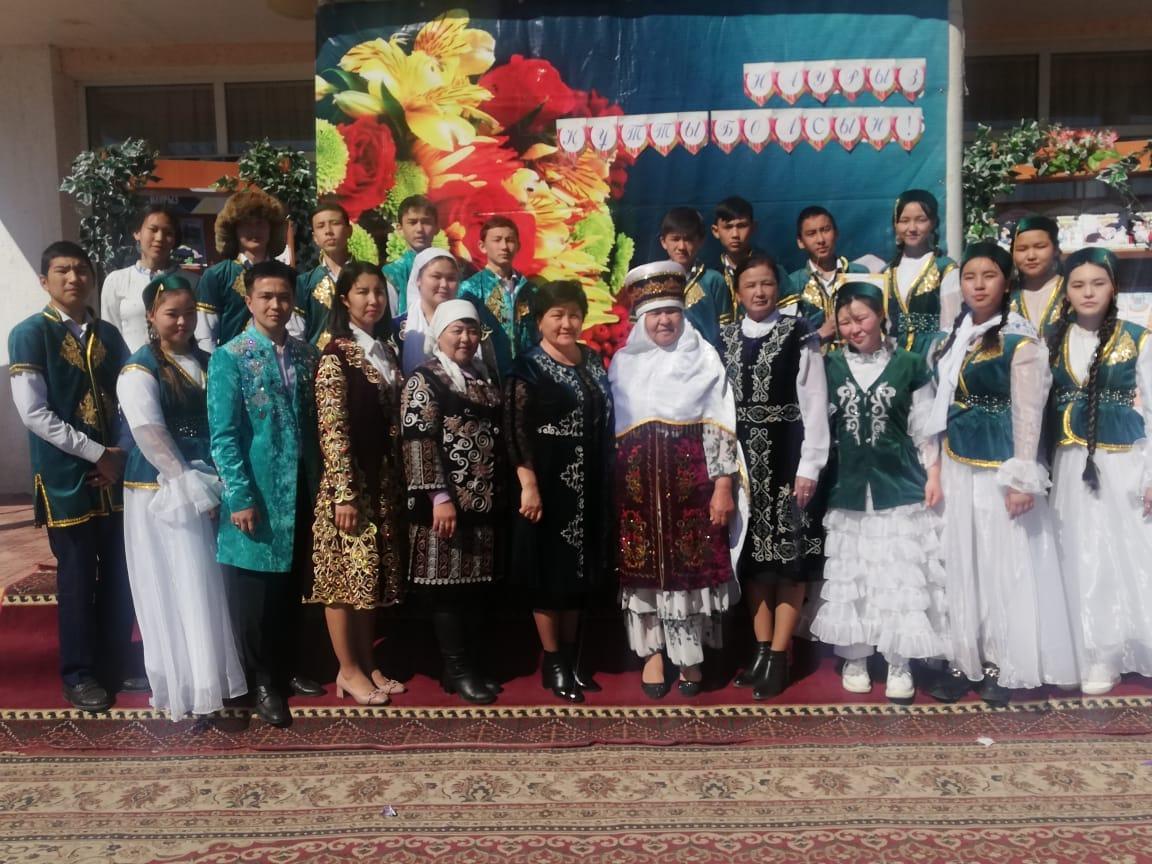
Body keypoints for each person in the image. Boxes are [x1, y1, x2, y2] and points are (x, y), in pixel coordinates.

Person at [926, 241, 1077, 706]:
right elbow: (937, 405)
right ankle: (963, 658)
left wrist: (1021, 478)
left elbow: (1029, 415)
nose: (978, 285)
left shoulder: (1019, 340)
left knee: (998, 564)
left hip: (999, 470)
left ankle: (999, 660)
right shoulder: (951, 338)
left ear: (1005, 282)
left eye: (988, 276)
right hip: (957, 464)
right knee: (961, 563)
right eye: (970, 277)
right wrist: (934, 466)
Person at [8, 241, 138, 712]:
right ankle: (79, 673)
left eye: (82, 270)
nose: (73, 278)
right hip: (66, 476)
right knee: (78, 577)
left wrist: (120, 451)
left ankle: (117, 659)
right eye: (62, 270)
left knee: (120, 573)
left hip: (114, 474)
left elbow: (130, 396)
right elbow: (33, 412)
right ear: (44, 280)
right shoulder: (29, 334)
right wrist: (96, 454)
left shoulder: (109, 335)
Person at [807, 281, 947, 703]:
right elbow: (816, 422)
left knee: (897, 576)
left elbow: (924, 427)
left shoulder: (910, 364)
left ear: (881, 315)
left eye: (862, 318)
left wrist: (933, 474)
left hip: (898, 486)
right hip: (849, 488)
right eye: (845, 321)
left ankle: (899, 660)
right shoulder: (829, 365)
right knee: (856, 577)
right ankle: (856, 657)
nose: (854, 328)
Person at [610, 262, 742, 699]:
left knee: (690, 571)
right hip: (637, 495)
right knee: (642, 571)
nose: (664, 321)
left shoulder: (703, 359)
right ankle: (651, 655)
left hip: (692, 490)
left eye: (671, 312)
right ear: (641, 318)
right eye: (655, 314)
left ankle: (688, 657)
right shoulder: (622, 365)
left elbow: (720, 426)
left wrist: (723, 486)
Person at [116, 274, 246, 718]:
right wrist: (193, 488)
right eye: (172, 313)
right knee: (181, 579)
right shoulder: (140, 369)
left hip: (212, 480)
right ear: (151, 316)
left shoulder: (210, 361)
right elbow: (151, 436)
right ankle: (191, 683)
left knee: (211, 580)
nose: (183, 322)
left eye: (190, 312)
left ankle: (219, 675)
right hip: (166, 488)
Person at [207, 259, 321, 726]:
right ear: (249, 300)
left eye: (283, 296)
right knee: (255, 596)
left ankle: (287, 666)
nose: (276, 304)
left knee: (291, 586)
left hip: (300, 489)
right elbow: (223, 434)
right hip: (256, 492)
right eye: (266, 296)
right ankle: (261, 681)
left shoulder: (307, 355)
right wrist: (239, 495)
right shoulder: (230, 356)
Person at [719, 255, 830, 699]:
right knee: (753, 564)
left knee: (788, 562)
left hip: (788, 459)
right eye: (751, 285)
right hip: (745, 465)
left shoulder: (798, 333)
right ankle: (761, 650)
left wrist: (810, 466)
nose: (760, 292)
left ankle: (781, 655)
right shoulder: (725, 337)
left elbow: (815, 402)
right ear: (738, 292)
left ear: (777, 288)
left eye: (766, 283)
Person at [1047, 248, 1152, 695]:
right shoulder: (1051, 340)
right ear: (1065, 291)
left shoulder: (1138, 339)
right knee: (1080, 551)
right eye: (1078, 285)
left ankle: (1121, 646)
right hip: (1070, 462)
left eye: (1098, 283)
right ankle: (1092, 647)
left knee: (1125, 551)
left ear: (1114, 288)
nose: (1088, 292)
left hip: (1121, 461)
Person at [505, 281, 615, 702]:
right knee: (548, 573)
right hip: (547, 483)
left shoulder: (591, 360)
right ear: (540, 321)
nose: (566, 323)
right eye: (557, 315)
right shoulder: (527, 367)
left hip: (588, 482)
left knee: (577, 573)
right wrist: (528, 485)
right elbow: (514, 430)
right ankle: (553, 661)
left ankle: (571, 657)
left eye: (573, 314)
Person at [310, 261, 407, 706]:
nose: (373, 300)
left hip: (382, 482)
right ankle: (347, 669)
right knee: (343, 579)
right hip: (349, 488)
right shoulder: (335, 355)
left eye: (378, 292)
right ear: (344, 298)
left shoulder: (385, 351)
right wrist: (344, 493)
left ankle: (368, 662)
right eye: (363, 292)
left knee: (372, 576)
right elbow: (332, 428)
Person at [401, 299, 506, 705]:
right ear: (439, 334)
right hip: (444, 506)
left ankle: (460, 669)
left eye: (472, 330)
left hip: (482, 503)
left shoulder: (482, 376)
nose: (465, 338)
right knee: (447, 591)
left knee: (472, 591)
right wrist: (439, 497)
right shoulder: (425, 378)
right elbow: (417, 440)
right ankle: (458, 669)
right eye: (456, 330)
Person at [194, 189, 294, 352]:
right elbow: (205, 336)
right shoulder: (216, 276)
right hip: (230, 364)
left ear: (271, 228)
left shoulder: (287, 275)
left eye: (260, 223)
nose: (254, 231)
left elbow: (295, 330)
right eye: (247, 224)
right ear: (233, 229)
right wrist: (215, 365)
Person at [101, 205, 193, 352]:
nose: (160, 238)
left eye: (168, 232)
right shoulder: (116, 281)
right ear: (137, 233)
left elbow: (203, 336)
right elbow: (109, 336)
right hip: (131, 364)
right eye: (153, 229)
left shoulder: (191, 282)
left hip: (180, 363)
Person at [397, 247, 500, 379]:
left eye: (451, 278)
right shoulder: (399, 330)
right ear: (418, 279)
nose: (444, 284)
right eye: (436, 277)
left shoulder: (473, 328)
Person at [780, 205, 871, 349]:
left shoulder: (859, 274)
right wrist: (820, 334)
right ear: (800, 242)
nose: (821, 239)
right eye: (811, 234)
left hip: (857, 358)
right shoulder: (793, 284)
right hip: (814, 360)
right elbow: (787, 339)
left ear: (836, 233)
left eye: (825, 230)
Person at [882, 190, 960, 356]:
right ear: (895, 224)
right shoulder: (887, 272)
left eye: (921, 220)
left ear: (933, 222)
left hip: (931, 354)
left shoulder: (945, 268)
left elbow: (951, 325)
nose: (912, 228)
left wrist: (937, 356)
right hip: (894, 356)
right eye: (904, 221)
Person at [460, 215, 537, 377]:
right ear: (482, 246)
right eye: (497, 240)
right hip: (487, 373)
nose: (504, 246)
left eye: (510, 240)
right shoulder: (471, 289)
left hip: (528, 374)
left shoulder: (529, 289)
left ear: (518, 246)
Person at [659, 206, 729, 342]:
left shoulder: (713, 280)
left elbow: (726, 327)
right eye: (675, 239)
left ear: (701, 241)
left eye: (688, 239)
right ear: (663, 242)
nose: (681, 247)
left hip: (706, 353)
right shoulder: (654, 280)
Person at [297, 201, 355, 349]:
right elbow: (297, 333)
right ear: (315, 237)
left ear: (349, 230)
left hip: (363, 356)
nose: (328, 231)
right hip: (319, 358)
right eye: (320, 226)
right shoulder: (304, 283)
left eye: (335, 223)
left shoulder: (366, 276)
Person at [383, 195, 439, 315]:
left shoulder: (450, 268)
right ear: (400, 229)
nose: (419, 229)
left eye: (426, 222)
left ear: (437, 228)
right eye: (412, 222)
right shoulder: (393, 273)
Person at [1010, 215, 1065, 338]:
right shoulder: (1006, 296)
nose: (1031, 256)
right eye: (1022, 249)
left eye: (1040, 247)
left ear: (1055, 249)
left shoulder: (1072, 290)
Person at [713, 196, 760, 320]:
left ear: (753, 228)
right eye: (728, 227)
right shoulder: (710, 275)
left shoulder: (769, 269)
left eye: (742, 226)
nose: (735, 234)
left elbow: (788, 313)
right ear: (716, 231)